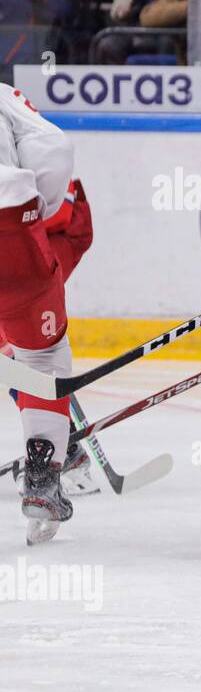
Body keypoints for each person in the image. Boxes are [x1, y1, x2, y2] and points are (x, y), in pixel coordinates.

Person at [0, 84, 76, 544]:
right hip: (9, 220)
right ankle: (43, 475)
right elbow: (54, 147)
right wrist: (32, 217)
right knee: (43, 356)